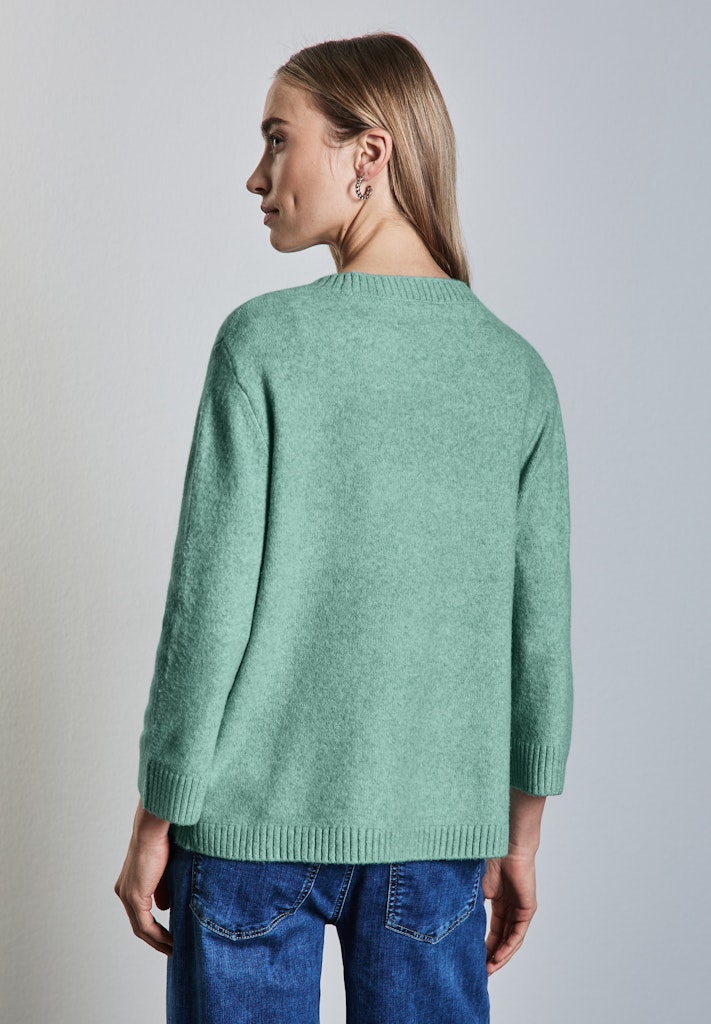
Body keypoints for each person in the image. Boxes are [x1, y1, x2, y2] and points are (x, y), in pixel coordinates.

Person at [115, 31, 574, 1024]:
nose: (257, 175)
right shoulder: (515, 373)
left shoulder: (262, 345)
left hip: (246, 834)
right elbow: (539, 644)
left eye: (279, 139)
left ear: (370, 152)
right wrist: (522, 835)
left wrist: (157, 813)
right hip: (437, 843)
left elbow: (209, 611)